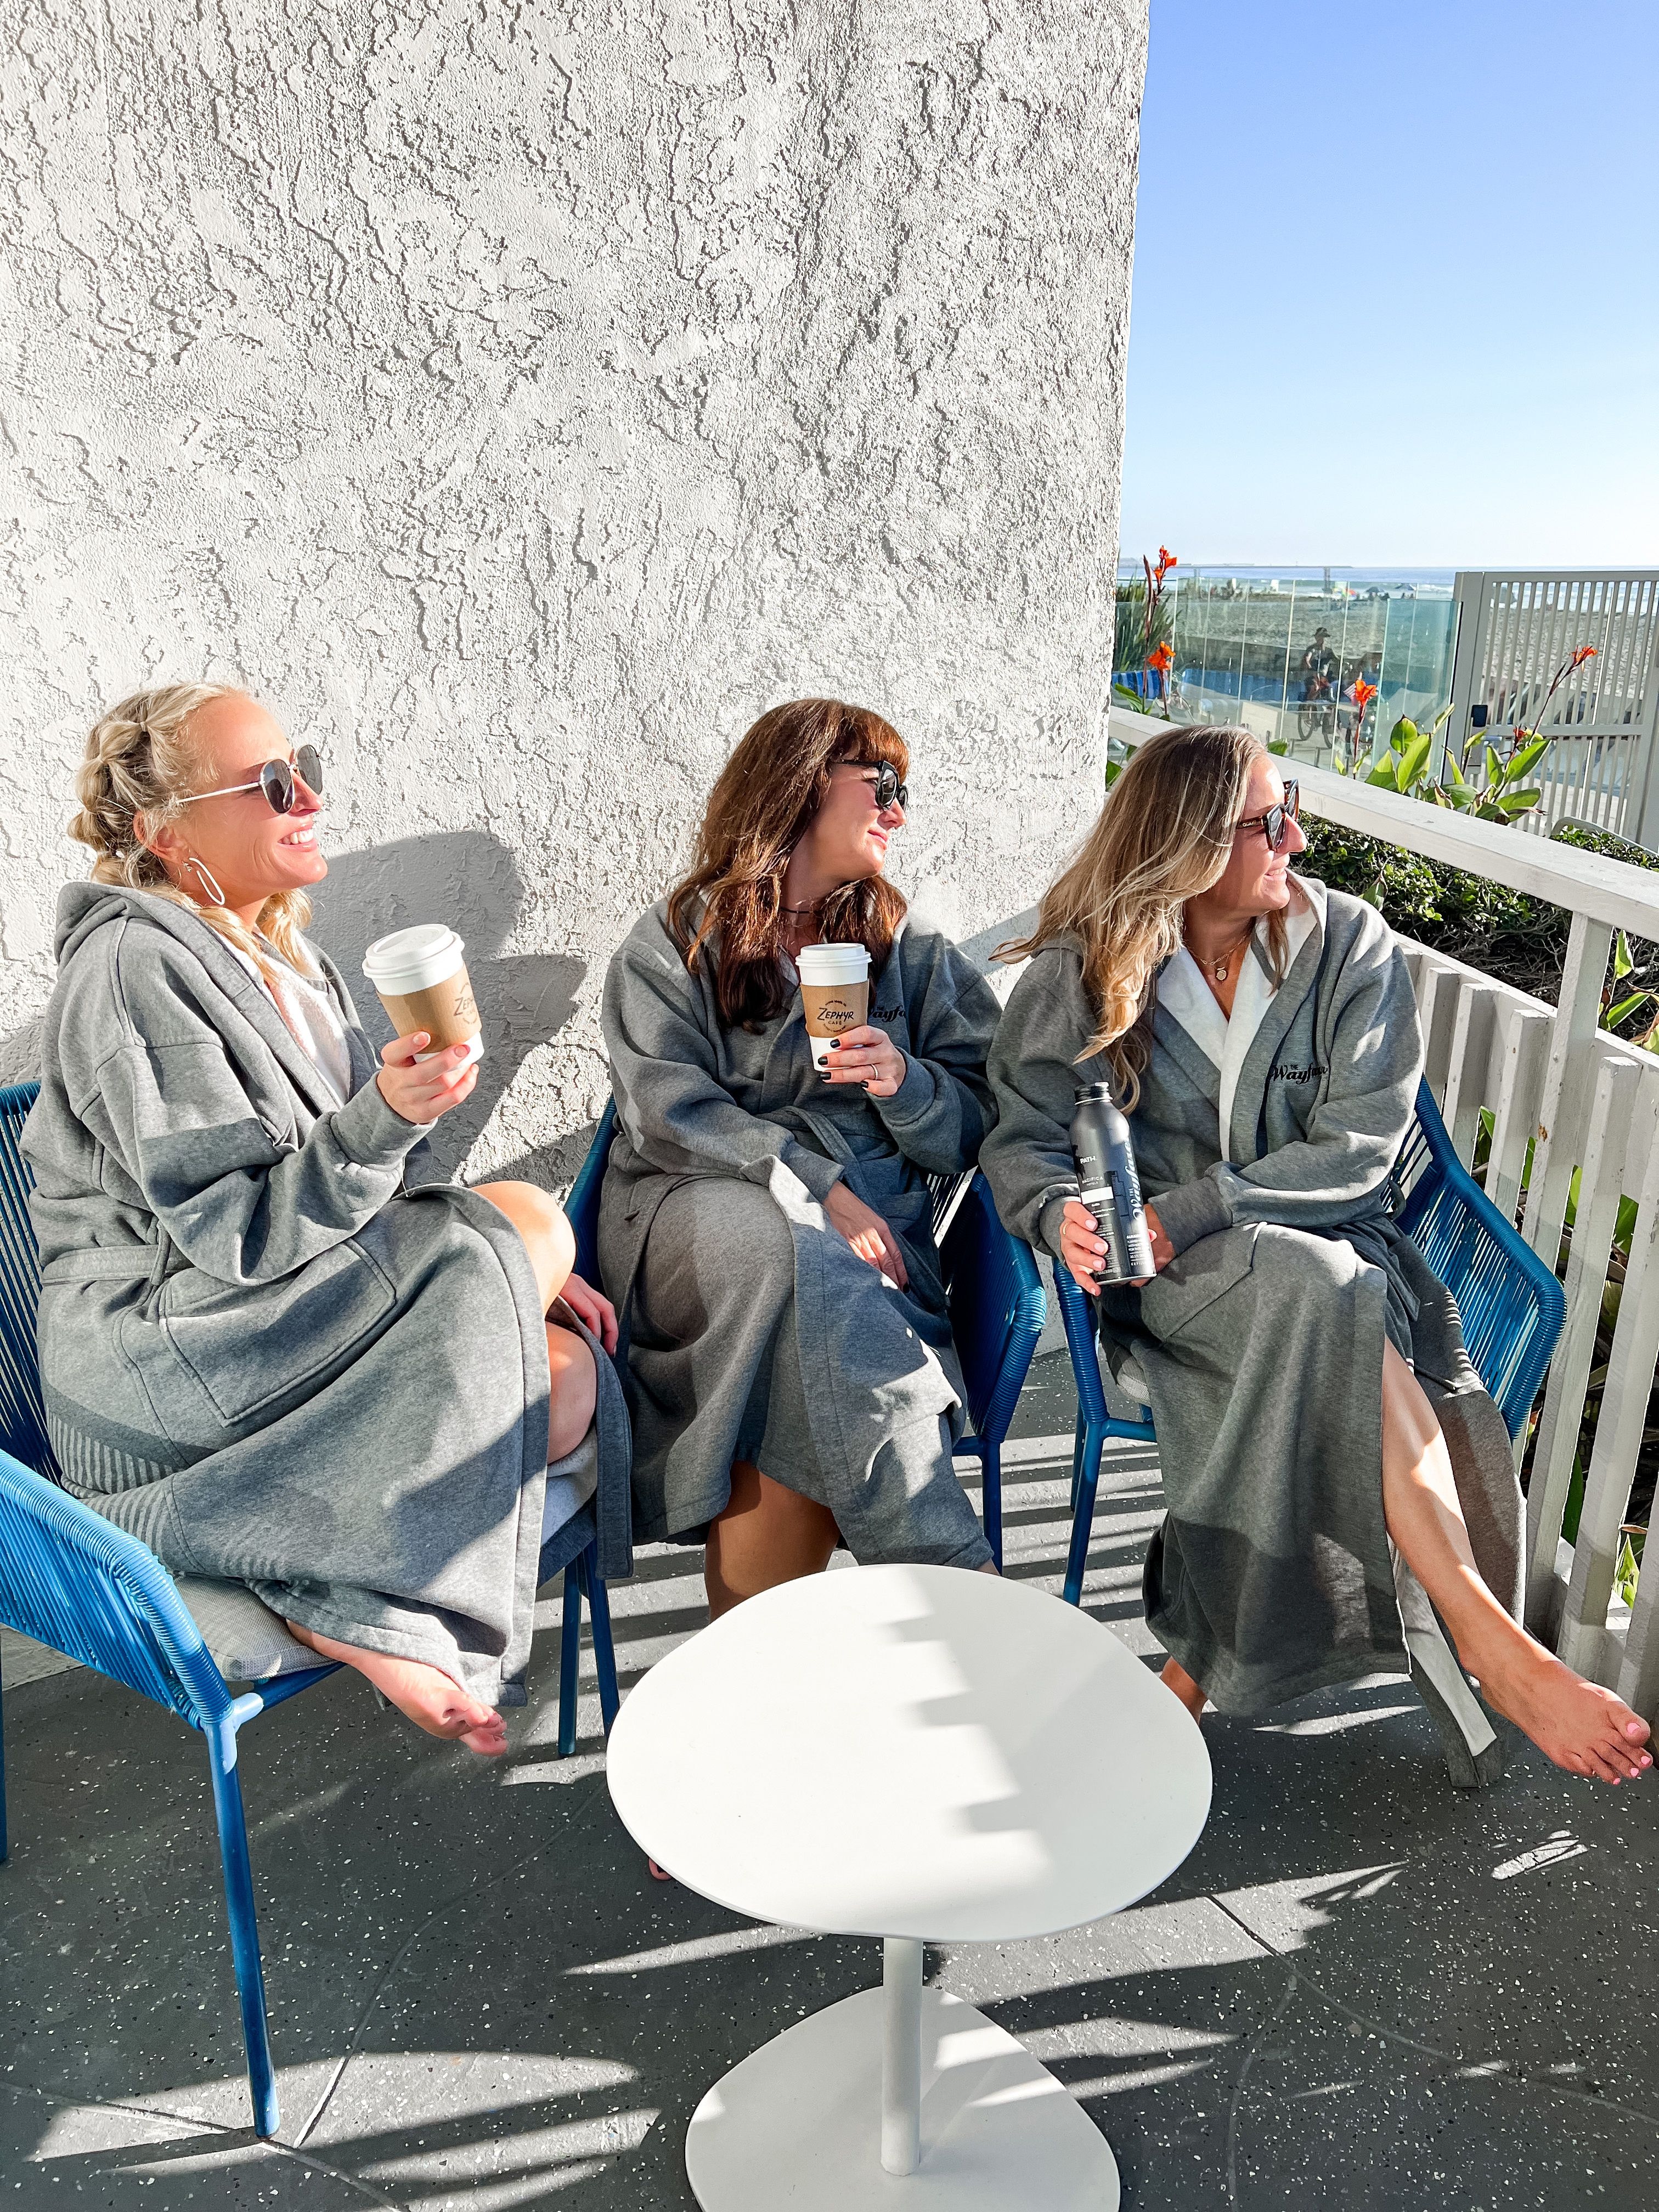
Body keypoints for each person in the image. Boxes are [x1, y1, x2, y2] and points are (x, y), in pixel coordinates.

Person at [981, 722, 1652, 1788]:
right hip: (1176, 1281)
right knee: (1326, 1298)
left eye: (1290, 805)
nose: (1296, 836)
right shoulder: (1089, 967)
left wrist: (1200, 1204)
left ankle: (1204, 1673)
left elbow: (1364, 1146)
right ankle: (1493, 1647)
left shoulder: (1349, 944)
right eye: (1267, 821)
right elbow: (1018, 1134)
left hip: (1330, 1241)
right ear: (1191, 843)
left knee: (1329, 1292)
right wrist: (1053, 1208)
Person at [24, 684, 623, 1758]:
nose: (305, 794)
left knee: (568, 1379)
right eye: (268, 783)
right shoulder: (133, 970)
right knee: (530, 1220)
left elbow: (375, 1192)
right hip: (166, 1348)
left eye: (302, 764)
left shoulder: (301, 964)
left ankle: (326, 1584)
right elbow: (235, 1235)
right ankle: (337, 1599)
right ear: (167, 833)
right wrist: (422, 1158)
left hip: (271, 1313)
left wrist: (434, 1161)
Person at [598, 696, 1002, 1620]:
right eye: (883, 785)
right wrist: (816, 1188)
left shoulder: (908, 946)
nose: (900, 812)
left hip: (866, 1251)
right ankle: (961, 1589)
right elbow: (666, 1113)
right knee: (801, 1252)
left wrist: (905, 1084)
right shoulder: (674, 941)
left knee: (797, 1401)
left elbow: (988, 1111)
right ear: (805, 782)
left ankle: (748, 1694)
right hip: (695, 1218)